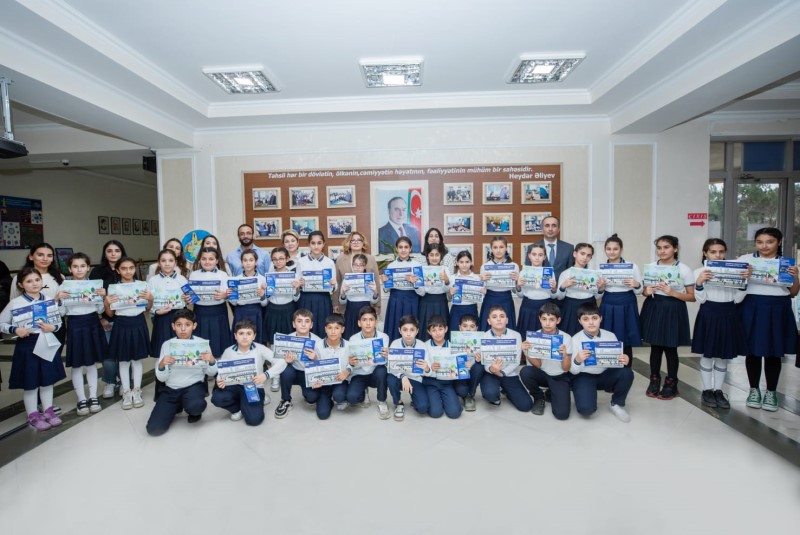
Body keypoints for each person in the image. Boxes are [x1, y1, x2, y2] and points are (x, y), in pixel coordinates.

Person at [737, 227, 799, 411]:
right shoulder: (746, 260)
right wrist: (744, 277)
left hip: (778, 308)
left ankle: (771, 392)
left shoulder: (786, 264)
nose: (764, 246)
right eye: (760, 242)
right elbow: (735, 286)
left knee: (774, 351)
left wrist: (795, 277)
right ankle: (753, 390)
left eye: (769, 242)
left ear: (778, 242)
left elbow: (793, 292)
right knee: (752, 351)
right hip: (751, 306)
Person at [0, 267, 66, 430]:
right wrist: (15, 329)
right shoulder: (16, 303)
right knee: (30, 382)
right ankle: (33, 415)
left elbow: (58, 323)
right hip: (27, 344)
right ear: (21, 284)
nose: (34, 284)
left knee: (47, 380)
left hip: (47, 342)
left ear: (42, 281)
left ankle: (49, 411)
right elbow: (1, 322)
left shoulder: (49, 301)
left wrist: (53, 327)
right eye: (29, 281)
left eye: (37, 280)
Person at [692, 238, 749, 409]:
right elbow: (700, 299)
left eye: (721, 252)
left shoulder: (734, 271)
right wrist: (699, 282)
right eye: (713, 252)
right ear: (705, 253)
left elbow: (738, 299)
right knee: (707, 354)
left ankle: (718, 390)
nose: (717, 255)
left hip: (729, 313)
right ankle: (707, 390)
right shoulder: (699, 272)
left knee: (723, 355)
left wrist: (743, 283)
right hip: (708, 313)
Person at [640, 235, 695, 400]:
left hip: (674, 308)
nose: (662, 251)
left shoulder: (684, 269)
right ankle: (654, 380)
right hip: (654, 306)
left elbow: (692, 297)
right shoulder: (651, 267)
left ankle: (671, 383)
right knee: (655, 347)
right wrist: (646, 291)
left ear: (675, 249)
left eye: (666, 247)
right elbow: (644, 291)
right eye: (659, 248)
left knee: (671, 348)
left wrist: (673, 292)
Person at [146, 309, 217, 436]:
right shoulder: (167, 345)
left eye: (187, 325)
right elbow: (162, 379)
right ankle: (176, 405)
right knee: (154, 429)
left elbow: (211, 372)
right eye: (179, 325)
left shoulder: (202, 344)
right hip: (171, 389)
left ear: (194, 326)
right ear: (173, 326)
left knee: (196, 406)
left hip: (194, 386)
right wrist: (161, 365)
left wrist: (212, 360)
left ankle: (191, 409)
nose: (183, 329)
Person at [56, 253, 107, 415]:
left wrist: (102, 297)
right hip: (75, 324)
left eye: (83, 266)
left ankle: (93, 396)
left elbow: (100, 310)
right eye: (75, 266)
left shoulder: (95, 285)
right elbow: (61, 312)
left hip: (92, 323)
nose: (79, 269)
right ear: (70, 268)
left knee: (91, 363)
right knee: (77, 364)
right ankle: (81, 398)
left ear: (88, 268)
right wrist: (58, 299)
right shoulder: (64, 286)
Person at [212, 319, 286, 425]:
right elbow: (221, 372)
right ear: (235, 336)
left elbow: (281, 361)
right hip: (234, 385)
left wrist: (266, 375)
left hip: (253, 386)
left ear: (254, 336)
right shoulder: (228, 351)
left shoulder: (260, 349)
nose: (245, 337)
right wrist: (220, 380)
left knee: (254, 420)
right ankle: (237, 409)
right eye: (241, 333)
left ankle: (259, 399)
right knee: (217, 398)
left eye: (248, 333)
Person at [569, 303, 634, 422]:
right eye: (586, 319)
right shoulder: (575, 340)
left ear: (601, 318)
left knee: (627, 372)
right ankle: (584, 394)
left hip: (604, 375)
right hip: (584, 376)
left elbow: (616, 362)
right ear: (580, 321)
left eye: (594, 318)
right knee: (586, 410)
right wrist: (577, 360)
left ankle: (616, 404)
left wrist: (623, 359)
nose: (591, 322)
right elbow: (573, 371)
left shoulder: (610, 336)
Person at [104, 257, 152, 410]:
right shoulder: (113, 288)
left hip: (138, 323)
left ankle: (137, 390)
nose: (128, 271)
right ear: (118, 270)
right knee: (123, 360)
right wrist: (106, 302)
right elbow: (110, 314)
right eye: (124, 268)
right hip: (121, 324)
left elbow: (147, 308)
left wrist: (150, 299)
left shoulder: (142, 285)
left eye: (131, 268)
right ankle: (126, 391)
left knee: (137, 360)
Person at [519, 302, 573, 419]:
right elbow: (538, 365)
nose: (547, 323)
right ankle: (539, 397)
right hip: (542, 374)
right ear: (539, 319)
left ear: (558, 320)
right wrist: (526, 352)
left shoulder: (566, 338)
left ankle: (550, 392)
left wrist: (565, 356)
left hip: (559, 376)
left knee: (562, 415)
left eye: (551, 319)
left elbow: (566, 368)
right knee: (525, 371)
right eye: (544, 319)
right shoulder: (534, 337)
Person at [89, 239, 126, 398]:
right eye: (109, 251)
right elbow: (92, 298)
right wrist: (100, 319)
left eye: (117, 251)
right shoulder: (97, 272)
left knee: (125, 353)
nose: (113, 254)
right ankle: (110, 382)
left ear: (122, 253)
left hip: (124, 318)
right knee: (109, 354)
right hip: (105, 319)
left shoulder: (127, 269)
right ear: (105, 253)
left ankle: (125, 382)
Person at [598, 234, 642, 365]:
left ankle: (626, 371)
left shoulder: (632, 266)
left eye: (615, 249)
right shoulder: (600, 268)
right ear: (605, 250)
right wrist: (601, 288)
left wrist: (636, 284)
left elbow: (639, 291)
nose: (612, 252)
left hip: (627, 302)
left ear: (621, 249)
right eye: (608, 249)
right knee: (607, 337)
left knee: (626, 338)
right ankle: (608, 369)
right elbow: (598, 294)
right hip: (608, 302)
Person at [479, 305, 533, 411]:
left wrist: (502, 373)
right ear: (489, 321)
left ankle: (507, 391)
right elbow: (484, 362)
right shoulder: (483, 337)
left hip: (508, 373)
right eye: (494, 317)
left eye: (502, 316)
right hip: (490, 373)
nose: (499, 319)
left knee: (526, 406)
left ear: (507, 320)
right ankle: (494, 394)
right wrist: (492, 369)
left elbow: (516, 361)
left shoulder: (516, 335)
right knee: (490, 394)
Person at [274, 309, 323, 419]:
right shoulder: (287, 339)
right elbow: (278, 360)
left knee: (312, 398)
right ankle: (286, 400)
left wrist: (315, 359)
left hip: (309, 374)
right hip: (293, 371)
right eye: (299, 321)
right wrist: (286, 361)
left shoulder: (318, 341)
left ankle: (307, 393)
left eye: (307, 321)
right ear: (293, 324)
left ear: (311, 325)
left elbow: (323, 366)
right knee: (285, 369)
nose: (303, 324)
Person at [263, 246, 300, 393]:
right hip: (273, 310)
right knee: (274, 345)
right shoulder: (268, 277)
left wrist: (296, 288)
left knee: (289, 342)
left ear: (287, 259)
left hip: (289, 310)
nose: (278, 261)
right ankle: (276, 375)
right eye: (275, 259)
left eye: (281, 258)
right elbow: (265, 301)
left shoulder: (293, 275)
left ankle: (288, 373)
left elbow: (296, 298)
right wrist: (264, 291)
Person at [345, 305, 390, 419]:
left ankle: (382, 401)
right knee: (352, 398)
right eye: (364, 320)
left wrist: (387, 356)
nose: (368, 323)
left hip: (375, 373)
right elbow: (352, 364)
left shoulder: (383, 337)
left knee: (382, 371)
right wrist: (351, 362)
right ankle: (364, 391)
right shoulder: (353, 339)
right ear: (359, 323)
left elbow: (383, 362)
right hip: (359, 373)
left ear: (376, 322)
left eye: (371, 320)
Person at [187, 247, 233, 359]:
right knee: (201, 342)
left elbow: (230, 293)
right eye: (204, 259)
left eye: (211, 259)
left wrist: (225, 295)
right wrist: (188, 298)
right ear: (200, 260)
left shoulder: (223, 274)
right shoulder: (194, 275)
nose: (207, 262)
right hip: (200, 312)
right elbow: (190, 294)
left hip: (218, 312)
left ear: (217, 261)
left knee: (219, 341)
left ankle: (218, 366)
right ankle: (203, 368)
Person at [294, 231, 337, 339]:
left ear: (324, 244)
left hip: (323, 299)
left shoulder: (329, 262)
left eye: (319, 243)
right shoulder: (301, 261)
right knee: (304, 328)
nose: (316, 246)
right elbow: (297, 283)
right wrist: (299, 284)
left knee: (323, 328)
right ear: (309, 244)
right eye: (313, 243)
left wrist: (333, 284)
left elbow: (334, 286)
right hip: (306, 299)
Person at [554, 243, 605, 335]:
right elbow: (559, 297)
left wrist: (601, 289)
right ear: (575, 254)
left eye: (588, 255)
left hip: (589, 305)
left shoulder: (595, 274)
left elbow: (597, 297)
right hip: (570, 306)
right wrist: (563, 286)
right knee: (569, 333)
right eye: (582, 253)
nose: (585, 258)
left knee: (590, 332)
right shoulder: (565, 274)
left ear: (591, 258)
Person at [308, 314, 352, 419]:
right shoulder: (317, 345)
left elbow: (353, 363)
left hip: (340, 381)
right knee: (322, 415)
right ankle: (328, 401)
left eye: (337, 328)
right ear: (325, 329)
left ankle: (340, 398)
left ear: (342, 330)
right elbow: (313, 368)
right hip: (323, 384)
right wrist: (314, 361)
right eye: (330, 328)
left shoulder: (349, 345)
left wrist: (347, 370)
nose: (333, 331)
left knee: (339, 396)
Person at [387, 315, 429, 421]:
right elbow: (391, 367)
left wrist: (427, 368)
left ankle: (414, 400)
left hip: (416, 379)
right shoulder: (395, 344)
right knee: (390, 379)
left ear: (417, 331)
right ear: (399, 331)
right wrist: (402, 376)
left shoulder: (422, 345)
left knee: (423, 408)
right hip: (400, 378)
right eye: (405, 330)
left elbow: (427, 370)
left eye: (412, 330)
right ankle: (399, 403)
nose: (408, 334)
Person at [420, 315, 462, 419]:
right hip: (430, 382)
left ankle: (448, 399)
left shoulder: (453, 347)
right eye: (434, 330)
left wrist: (463, 367)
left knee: (454, 413)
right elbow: (421, 369)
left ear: (446, 329)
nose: (437, 333)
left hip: (447, 383)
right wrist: (430, 368)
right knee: (435, 413)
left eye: (440, 329)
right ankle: (435, 400)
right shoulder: (424, 346)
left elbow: (458, 369)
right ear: (429, 332)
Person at [381, 237, 422, 342]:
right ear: (396, 249)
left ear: (410, 248)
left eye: (406, 247)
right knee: (394, 327)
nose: (403, 250)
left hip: (412, 300)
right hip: (395, 300)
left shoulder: (417, 265)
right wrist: (385, 282)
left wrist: (415, 283)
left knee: (411, 327)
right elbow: (386, 290)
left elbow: (422, 292)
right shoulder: (391, 266)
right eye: (400, 247)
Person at [333, 231, 381, 315]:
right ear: (349, 243)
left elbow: (376, 282)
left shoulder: (371, 259)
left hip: (367, 303)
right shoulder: (340, 259)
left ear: (363, 243)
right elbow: (338, 282)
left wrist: (377, 304)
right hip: (347, 304)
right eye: (353, 240)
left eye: (359, 240)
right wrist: (335, 303)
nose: (356, 242)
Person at [479, 236, 519, 331]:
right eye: (495, 247)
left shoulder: (513, 266)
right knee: (487, 329)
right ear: (491, 249)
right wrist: (481, 281)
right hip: (490, 299)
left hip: (506, 299)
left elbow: (515, 290)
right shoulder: (485, 266)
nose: (498, 250)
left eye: (501, 247)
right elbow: (481, 290)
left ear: (506, 248)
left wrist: (517, 281)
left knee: (507, 329)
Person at [515, 243, 557, 334]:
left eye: (540, 255)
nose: (537, 258)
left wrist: (554, 288)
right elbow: (520, 295)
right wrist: (518, 286)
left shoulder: (549, 272)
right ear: (529, 256)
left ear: (544, 257)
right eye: (534, 254)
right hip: (528, 306)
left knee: (544, 335)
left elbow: (553, 296)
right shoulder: (523, 272)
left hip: (545, 306)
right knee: (526, 334)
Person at [229, 250, 268, 343]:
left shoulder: (263, 279)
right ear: (241, 263)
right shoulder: (235, 280)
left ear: (256, 262)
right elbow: (234, 303)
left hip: (256, 312)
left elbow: (264, 304)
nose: (248, 263)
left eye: (251, 260)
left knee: (256, 340)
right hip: (240, 312)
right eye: (245, 260)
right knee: (240, 339)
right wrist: (232, 294)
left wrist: (262, 295)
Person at [338, 253, 379, 338]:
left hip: (366, 309)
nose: (358, 267)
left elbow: (374, 301)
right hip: (350, 310)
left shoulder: (370, 279)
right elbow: (342, 302)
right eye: (355, 265)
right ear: (352, 265)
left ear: (365, 266)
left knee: (366, 336)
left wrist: (375, 292)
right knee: (349, 336)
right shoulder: (347, 279)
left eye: (361, 265)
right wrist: (343, 294)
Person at [416, 243, 451, 342]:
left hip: (441, 302)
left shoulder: (445, 270)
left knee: (441, 328)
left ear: (441, 256)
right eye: (431, 255)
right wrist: (416, 284)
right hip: (426, 302)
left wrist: (447, 280)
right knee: (425, 329)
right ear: (427, 256)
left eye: (437, 255)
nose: (434, 258)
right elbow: (421, 293)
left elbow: (447, 290)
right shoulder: (422, 270)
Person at [525, 216, 574, 281]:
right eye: (547, 226)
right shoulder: (532, 248)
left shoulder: (569, 248)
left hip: (562, 286)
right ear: (542, 229)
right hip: (539, 286)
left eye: (554, 226)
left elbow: (571, 272)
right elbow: (528, 271)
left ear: (558, 229)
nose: (550, 229)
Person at [451, 313, 483, 412]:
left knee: (479, 367)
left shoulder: (481, 342)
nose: (468, 329)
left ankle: (470, 395)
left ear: (476, 329)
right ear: (460, 328)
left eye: (472, 326)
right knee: (462, 391)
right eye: (465, 326)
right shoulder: (453, 341)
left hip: (473, 372)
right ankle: (461, 392)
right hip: (459, 374)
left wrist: (479, 360)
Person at [448, 250, 484, 334]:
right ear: (457, 263)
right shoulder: (452, 278)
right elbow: (449, 298)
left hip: (471, 308)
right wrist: (450, 293)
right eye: (461, 262)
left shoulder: (476, 278)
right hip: (456, 310)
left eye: (467, 262)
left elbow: (481, 297)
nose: (464, 265)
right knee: (455, 335)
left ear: (471, 262)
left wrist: (483, 292)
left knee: (472, 335)